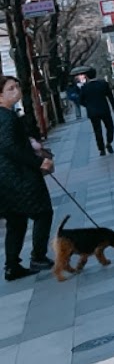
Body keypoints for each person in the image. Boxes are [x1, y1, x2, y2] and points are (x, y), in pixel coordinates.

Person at [1, 76, 54, 283]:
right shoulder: (6, 116)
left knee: (16, 221)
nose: (17, 91)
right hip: (17, 176)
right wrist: (37, 163)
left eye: (17, 86)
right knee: (43, 212)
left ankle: (12, 266)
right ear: (0, 95)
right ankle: (38, 257)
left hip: (6, 178)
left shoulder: (7, 114)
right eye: (10, 88)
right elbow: (9, 147)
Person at [75, 70, 114, 156]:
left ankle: (101, 149)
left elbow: (80, 100)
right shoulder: (103, 84)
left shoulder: (84, 87)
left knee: (97, 130)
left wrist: (88, 105)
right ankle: (109, 142)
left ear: (87, 77)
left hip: (92, 112)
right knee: (110, 126)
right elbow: (110, 96)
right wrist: (113, 107)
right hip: (104, 109)